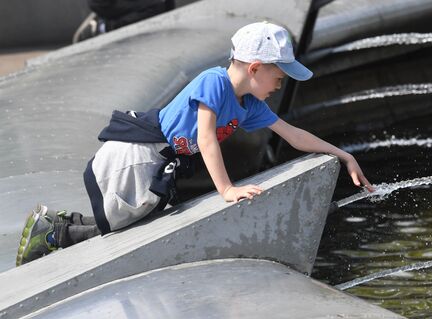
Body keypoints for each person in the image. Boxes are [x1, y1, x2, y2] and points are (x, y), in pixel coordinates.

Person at [16, 22, 375, 266]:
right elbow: (205, 136)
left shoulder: (248, 105)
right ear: (254, 68)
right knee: (120, 224)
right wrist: (226, 189)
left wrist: (343, 155)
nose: (279, 85)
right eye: (278, 77)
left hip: (160, 161)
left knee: (128, 221)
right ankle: (51, 234)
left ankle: (56, 224)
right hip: (142, 152)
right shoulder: (215, 83)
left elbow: (292, 134)